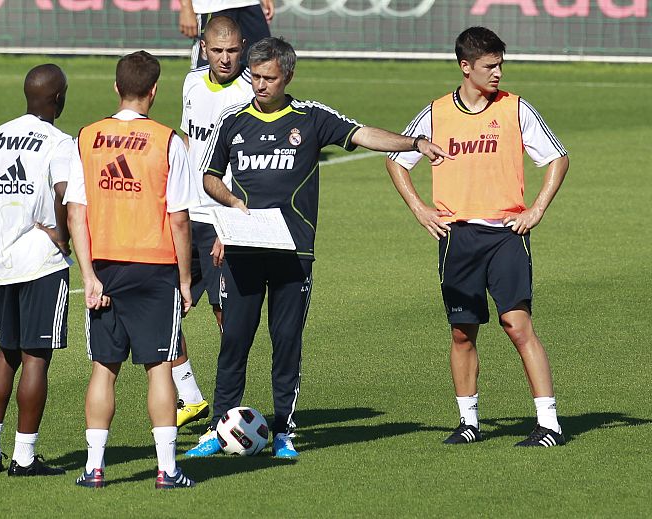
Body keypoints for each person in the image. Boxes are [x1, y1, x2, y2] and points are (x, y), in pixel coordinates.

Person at [185, 36, 450, 459]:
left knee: (286, 340)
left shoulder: (311, 118)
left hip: (293, 254)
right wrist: (233, 205)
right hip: (243, 252)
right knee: (234, 340)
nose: (260, 85)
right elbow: (210, 176)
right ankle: (220, 430)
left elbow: (363, 134)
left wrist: (414, 143)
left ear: (287, 75)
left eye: (269, 77)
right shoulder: (233, 121)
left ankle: (284, 430)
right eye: (255, 76)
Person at [385, 27, 569, 447]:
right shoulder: (435, 113)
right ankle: (469, 422)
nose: (498, 73)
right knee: (461, 330)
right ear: (465, 67)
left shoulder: (515, 109)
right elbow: (398, 161)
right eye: (490, 66)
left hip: (506, 234)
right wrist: (419, 208)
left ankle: (549, 424)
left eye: (501, 64)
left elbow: (558, 157)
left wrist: (536, 209)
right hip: (457, 237)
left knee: (516, 324)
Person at [66, 51, 199, 489]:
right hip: (155, 267)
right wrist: (184, 279)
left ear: (115, 86)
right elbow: (179, 218)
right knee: (159, 366)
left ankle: (94, 468)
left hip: (104, 265)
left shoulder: (86, 136)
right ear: (154, 90)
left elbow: (75, 214)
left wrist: (87, 275)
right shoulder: (167, 140)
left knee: (104, 368)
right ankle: (167, 468)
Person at [0, 63, 72, 476]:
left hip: (2, 260)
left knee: (6, 353)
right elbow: (65, 196)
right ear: (58, 99)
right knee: (36, 357)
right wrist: (64, 240)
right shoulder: (59, 141)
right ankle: (25, 456)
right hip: (40, 262)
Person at [174, 15, 254, 429]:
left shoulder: (249, 92)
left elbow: (248, 166)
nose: (225, 59)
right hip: (186, 216)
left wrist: (229, 224)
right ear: (204, 48)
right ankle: (189, 396)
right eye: (217, 50)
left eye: (233, 51)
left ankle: (228, 408)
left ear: (244, 47)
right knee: (166, 310)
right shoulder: (190, 83)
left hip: (222, 220)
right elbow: (189, 141)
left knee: (227, 317)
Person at [179, 0, 274, 68]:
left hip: (251, 4)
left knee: (263, 68)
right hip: (211, 6)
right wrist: (186, 6)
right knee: (206, 75)